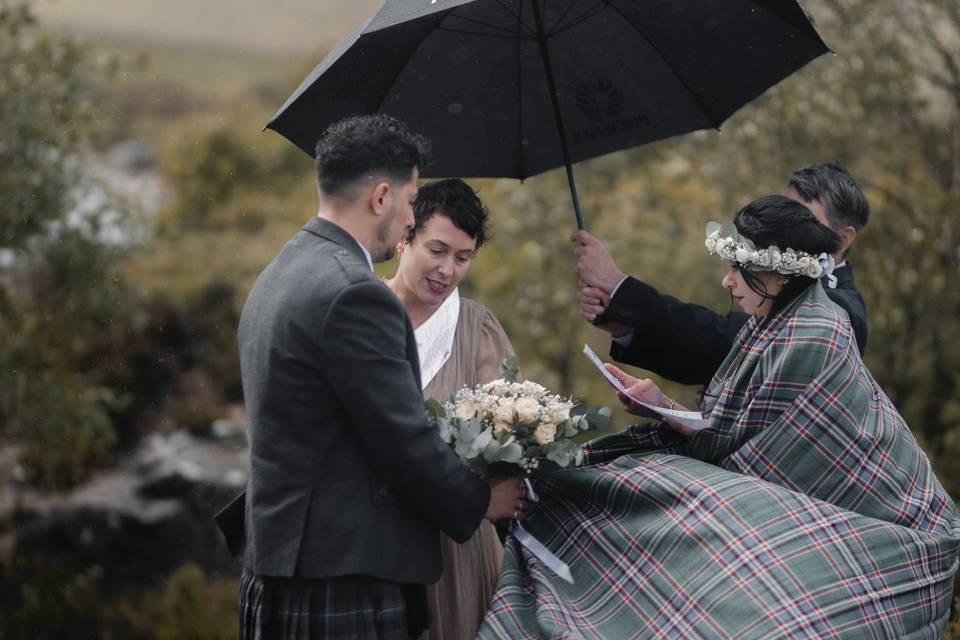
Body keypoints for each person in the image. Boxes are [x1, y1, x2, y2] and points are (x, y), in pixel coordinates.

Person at [478, 196, 960, 638]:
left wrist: (668, 414)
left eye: (739, 268)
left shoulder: (815, 331)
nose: (728, 280)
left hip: (892, 526)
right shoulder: (775, 319)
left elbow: (759, 453)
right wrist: (666, 408)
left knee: (656, 494)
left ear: (777, 274)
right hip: (835, 504)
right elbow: (735, 426)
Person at [227, 115, 528, 640]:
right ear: (382, 197)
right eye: (412, 199)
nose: (411, 215)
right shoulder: (354, 293)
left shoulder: (285, 267)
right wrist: (482, 502)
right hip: (338, 570)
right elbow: (402, 440)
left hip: (279, 561)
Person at [573, 163, 869, 385]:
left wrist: (620, 288)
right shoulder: (774, 287)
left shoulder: (838, 313)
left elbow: (723, 342)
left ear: (843, 239)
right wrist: (622, 325)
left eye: (804, 217)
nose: (789, 222)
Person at [384, 178, 516, 640]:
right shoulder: (359, 311)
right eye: (436, 250)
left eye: (462, 258)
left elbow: (505, 442)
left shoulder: (477, 329)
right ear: (405, 236)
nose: (448, 269)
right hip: (378, 538)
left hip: (457, 544)